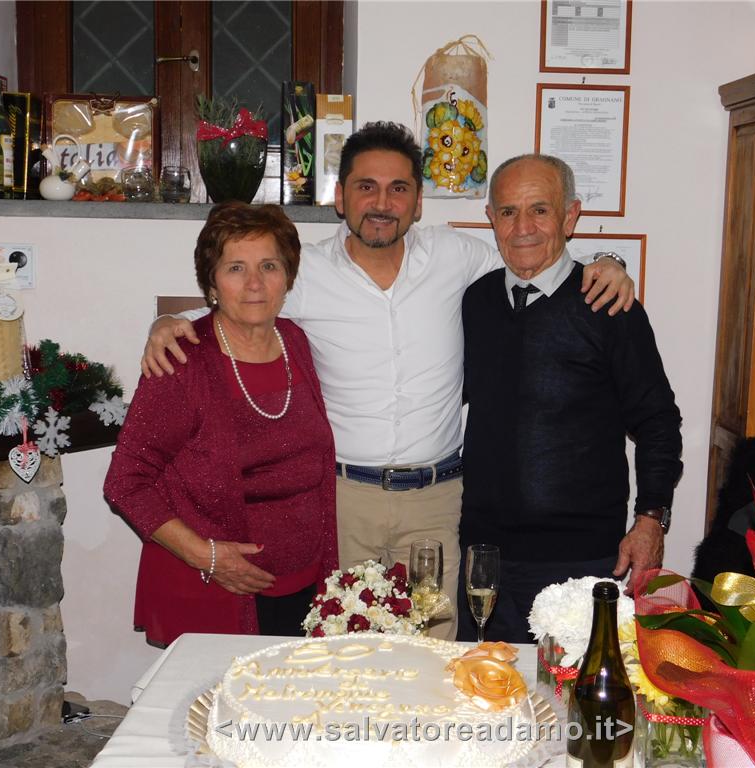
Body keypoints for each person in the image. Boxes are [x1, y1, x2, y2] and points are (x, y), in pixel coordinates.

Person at [141, 123, 635, 640]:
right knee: (345, 647)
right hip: (343, 501)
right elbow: (232, 306)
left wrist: (609, 262)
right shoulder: (305, 273)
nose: (382, 203)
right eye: (366, 187)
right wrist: (166, 324)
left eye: (398, 188)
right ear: (340, 197)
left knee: (433, 648)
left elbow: (535, 257)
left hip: (436, 502)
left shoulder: (457, 256)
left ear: (418, 202)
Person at [457, 154, 683, 643]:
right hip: (484, 556)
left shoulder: (609, 306)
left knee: (570, 687)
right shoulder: (475, 302)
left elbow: (658, 421)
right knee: (484, 683)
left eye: (540, 210)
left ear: (570, 216)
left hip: (581, 560)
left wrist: (651, 519)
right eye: (508, 211)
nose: (523, 228)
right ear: (491, 218)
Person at [104, 203, 337, 646]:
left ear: (288, 277)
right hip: (219, 590)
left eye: (269, 266)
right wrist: (206, 556)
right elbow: (125, 483)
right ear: (212, 284)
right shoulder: (182, 362)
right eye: (235, 268)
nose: (254, 283)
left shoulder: (296, 341)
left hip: (304, 589)